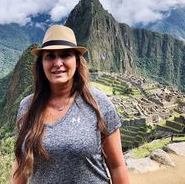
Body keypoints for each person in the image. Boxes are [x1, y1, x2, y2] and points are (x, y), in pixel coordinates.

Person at [11, 24, 130, 184]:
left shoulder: (98, 103)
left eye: (65, 55)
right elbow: (20, 164)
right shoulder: (27, 106)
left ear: (77, 61)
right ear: (42, 63)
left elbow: (117, 166)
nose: (58, 63)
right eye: (50, 56)